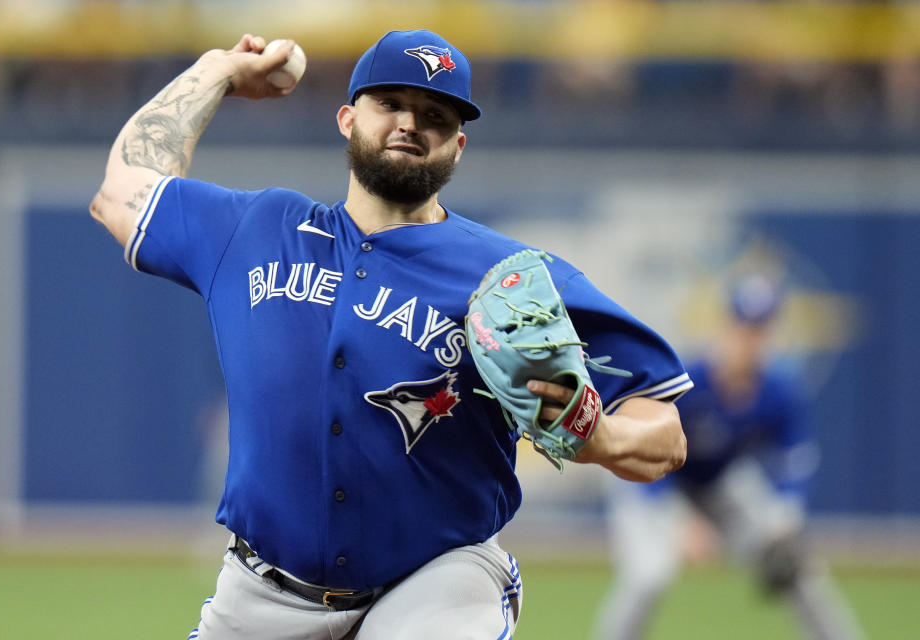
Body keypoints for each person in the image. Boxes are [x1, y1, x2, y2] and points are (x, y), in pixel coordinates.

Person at [90, 29, 692, 640]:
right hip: (261, 592)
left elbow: (667, 433)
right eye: (390, 104)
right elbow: (120, 191)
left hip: (436, 584)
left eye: (434, 114)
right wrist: (215, 71)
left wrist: (605, 436)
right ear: (348, 119)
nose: (409, 122)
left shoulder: (512, 278)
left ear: (458, 146)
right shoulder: (255, 230)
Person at [593, 274, 865, 640]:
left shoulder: (779, 391)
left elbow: (795, 459)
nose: (750, 339)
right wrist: (680, 524)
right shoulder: (687, 381)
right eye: (743, 326)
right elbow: (641, 451)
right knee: (649, 574)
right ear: (724, 327)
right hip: (651, 482)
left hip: (720, 486)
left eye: (760, 329)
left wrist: (783, 520)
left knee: (801, 568)